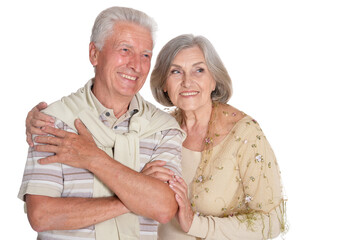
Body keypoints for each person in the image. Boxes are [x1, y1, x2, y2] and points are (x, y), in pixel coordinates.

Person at [26, 34, 287, 239]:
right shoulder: (158, 128)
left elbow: (273, 222)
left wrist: (198, 224)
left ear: (215, 80)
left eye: (199, 70)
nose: (187, 82)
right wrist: (40, 117)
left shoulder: (244, 134)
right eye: (175, 71)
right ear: (164, 83)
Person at [18, 6, 185, 240]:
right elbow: (42, 216)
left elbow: (165, 208)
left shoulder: (163, 128)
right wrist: (138, 197)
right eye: (125, 50)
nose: (136, 65)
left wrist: (93, 158)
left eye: (145, 55)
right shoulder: (53, 121)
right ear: (94, 54)